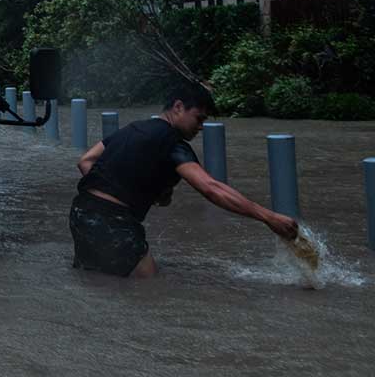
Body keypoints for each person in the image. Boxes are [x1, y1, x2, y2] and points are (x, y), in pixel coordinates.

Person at [68, 83, 298, 278]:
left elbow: (86, 161)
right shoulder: (173, 144)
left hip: (81, 212)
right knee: (149, 286)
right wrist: (268, 217)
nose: (200, 127)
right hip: (113, 222)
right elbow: (211, 188)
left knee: (98, 281)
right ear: (178, 107)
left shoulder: (133, 128)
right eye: (199, 118)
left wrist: (123, 187)